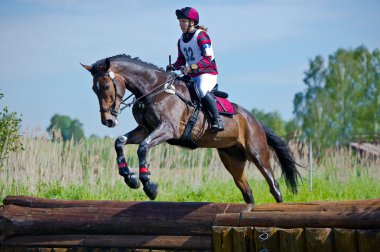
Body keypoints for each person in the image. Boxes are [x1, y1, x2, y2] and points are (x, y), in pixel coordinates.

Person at [167, 7, 224, 133]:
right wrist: (174, 66)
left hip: (207, 73)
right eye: (180, 22)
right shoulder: (181, 40)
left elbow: (208, 58)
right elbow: (181, 60)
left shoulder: (202, 36)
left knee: (202, 90)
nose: (180, 25)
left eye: (183, 22)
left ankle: (217, 119)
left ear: (192, 22)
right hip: (193, 75)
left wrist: (191, 67)